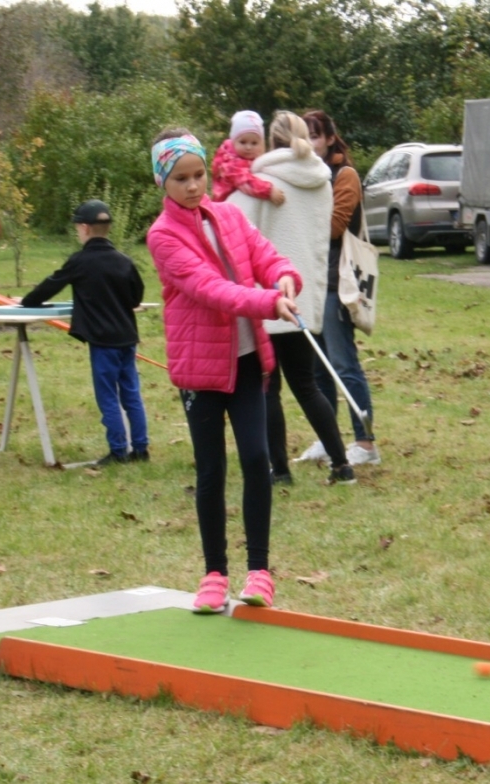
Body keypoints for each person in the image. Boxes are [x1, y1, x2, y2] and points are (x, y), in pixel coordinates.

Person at [145, 129, 301, 613]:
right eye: (181, 179)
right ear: (162, 182)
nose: (193, 186)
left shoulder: (230, 214)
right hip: (201, 371)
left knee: (257, 458)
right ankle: (214, 574)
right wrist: (269, 302)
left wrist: (285, 278)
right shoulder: (163, 236)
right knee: (211, 469)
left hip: (249, 360)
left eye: (198, 175)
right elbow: (211, 289)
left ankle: (259, 572)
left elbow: (265, 255)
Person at [230, 111, 355, 486]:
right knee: (307, 385)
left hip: (267, 299)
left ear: (272, 140)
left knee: (269, 387)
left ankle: (280, 470)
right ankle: (341, 464)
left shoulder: (259, 182)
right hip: (305, 298)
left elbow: (231, 226)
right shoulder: (321, 181)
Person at [19, 199, 149, 466]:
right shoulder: (124, 261)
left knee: (108, 397)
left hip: (103, 342)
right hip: (127, 338)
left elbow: (51, 285)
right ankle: (141, 448)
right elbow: (137, 296)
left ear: (85, 228)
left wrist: (26, 302)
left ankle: (118, 451)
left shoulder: (81, 261)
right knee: (131, 394)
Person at [297, 109, 380, 467]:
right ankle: (326, 437)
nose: (310, 144)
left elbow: (333, 228)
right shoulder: (303, 175)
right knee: (317, 369)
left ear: (330, 138)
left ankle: (365, 443)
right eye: (305, 137)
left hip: (336, 282)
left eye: (315, 136)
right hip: (311, 283)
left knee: (344, 364)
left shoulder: (343, 175)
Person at [211, 110, 287, 207]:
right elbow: (244, 181)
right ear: (233, 141)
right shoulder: (229, 162)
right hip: (223, 208)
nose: (248, 147)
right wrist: (269, 190)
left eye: (254, 143)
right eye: (243, 142)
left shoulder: (246, 158)